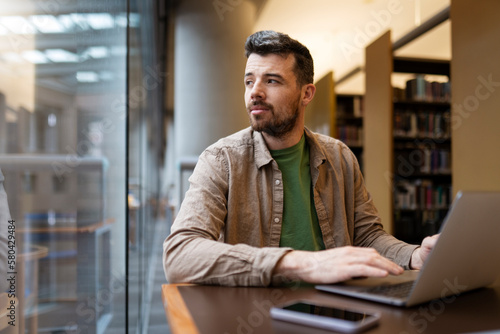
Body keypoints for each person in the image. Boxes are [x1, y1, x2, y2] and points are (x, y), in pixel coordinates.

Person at [163, 30, 437, 286]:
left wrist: (413, 256)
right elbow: (179, 254)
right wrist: (296, 262)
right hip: (257, 321)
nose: (255, 92)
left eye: (271, 80)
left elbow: (368, 237)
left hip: (336, 319)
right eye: (249, 81)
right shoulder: (220, 160)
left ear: (306, 93)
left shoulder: (340, 157)